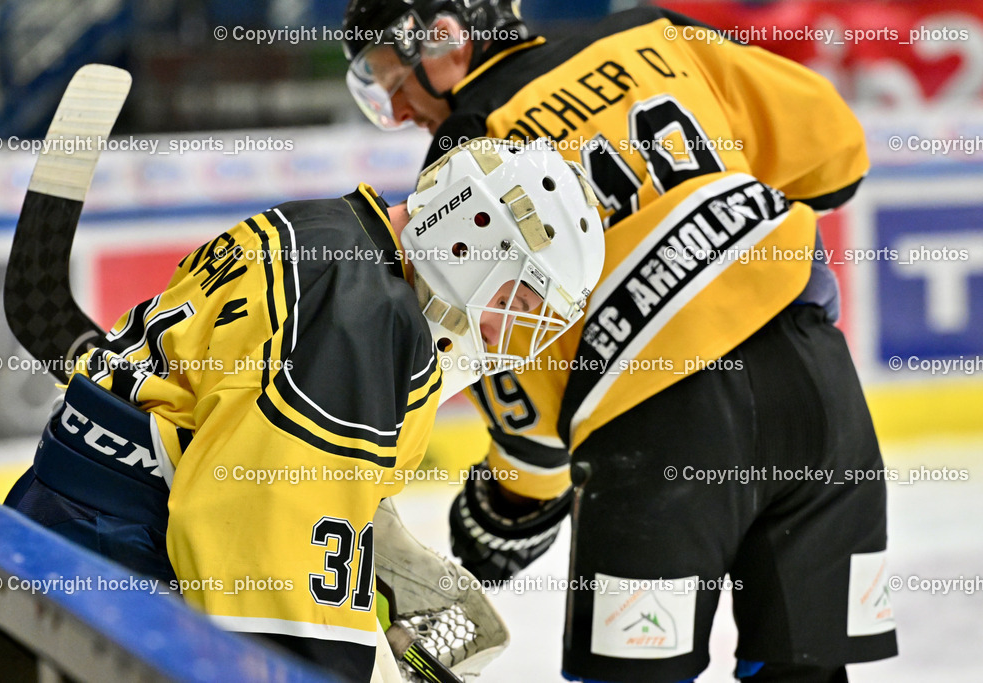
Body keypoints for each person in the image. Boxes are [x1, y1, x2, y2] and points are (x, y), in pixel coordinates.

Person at [342, 2, 898, 682]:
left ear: (446, 42)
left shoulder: (467, 160)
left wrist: (499, 516)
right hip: (821, 389)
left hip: (658, 434)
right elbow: (837, 151)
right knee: (806, 673)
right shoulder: (651, 31)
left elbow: (523, 397)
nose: (396, 110)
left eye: (389, 74)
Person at [4, 138, 605, 683]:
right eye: (516, 302)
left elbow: (238, 428)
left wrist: (367, 531)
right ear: (472, 241)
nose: (507, 336)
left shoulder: (329, 228)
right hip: (120, 565)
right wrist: (330, 655)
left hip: (60, 515)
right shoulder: (365, 315)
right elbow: (258, 542)